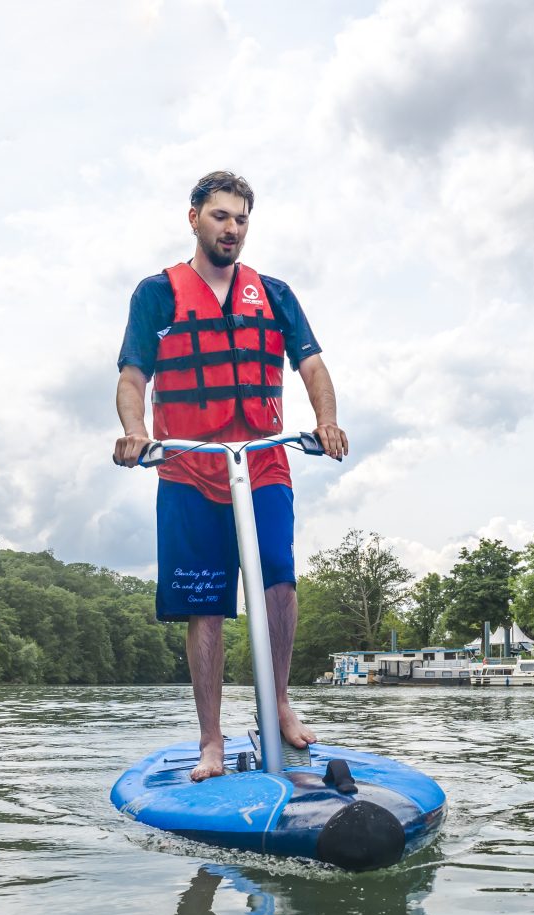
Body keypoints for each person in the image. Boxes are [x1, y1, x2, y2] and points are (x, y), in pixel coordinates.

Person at [114, 171, 348, 782]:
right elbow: (133, 377)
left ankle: (280, 706)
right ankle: (211, 740)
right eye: (221, 216)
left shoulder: (273, 293)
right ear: (194, 217)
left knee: (278, 579)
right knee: (206, 607)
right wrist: (137, 433)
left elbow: (313, 365)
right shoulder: (156, 294)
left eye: (242, 219)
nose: (233, 229)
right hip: (190, 468)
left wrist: (326, 420)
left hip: (263, 460)